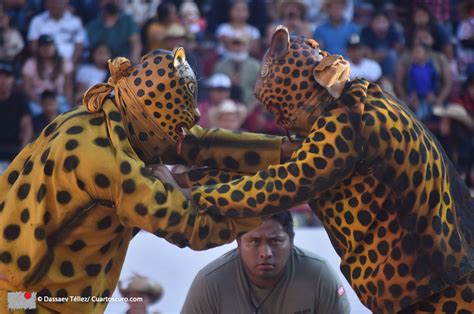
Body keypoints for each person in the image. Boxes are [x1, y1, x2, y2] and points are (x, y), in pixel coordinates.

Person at [163, 26, 474, 313]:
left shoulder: (350, 122)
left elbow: (280, 185)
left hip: (433, 285)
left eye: (280, 108)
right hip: (428, 278)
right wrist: (188, 162)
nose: (282, 122)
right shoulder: (358, 101)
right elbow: (279, 160)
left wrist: (193, 195)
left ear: (302, 93)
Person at [0, 46, 298, 312]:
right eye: (175, 128)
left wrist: (282, 151)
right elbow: (194, 228)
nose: (180, 136)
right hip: (27, 301)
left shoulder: (93, 115)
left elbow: (198, 145)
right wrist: (287, 191)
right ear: (149, 118)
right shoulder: (109, 166)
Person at [182, 212, 350, 314]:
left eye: (275, 241)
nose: (265, 253)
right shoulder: (210, 282)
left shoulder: (319, 275)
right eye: (254, 242)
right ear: (238, 244)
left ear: (291, 242)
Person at [86, 0, 142, 64]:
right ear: (101, 2)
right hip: (101, 66)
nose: (113, 1)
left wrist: (134, 60)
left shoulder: (127, 20)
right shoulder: (93, 25)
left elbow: (136, 44)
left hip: (124, 64)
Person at [0, 60, 32, 161]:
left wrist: (22, 150)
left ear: (13, 79)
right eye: (0, 77)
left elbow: (27, 126)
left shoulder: (19, 99)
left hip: (14, 148)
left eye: (7, 77)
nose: (3, 80)